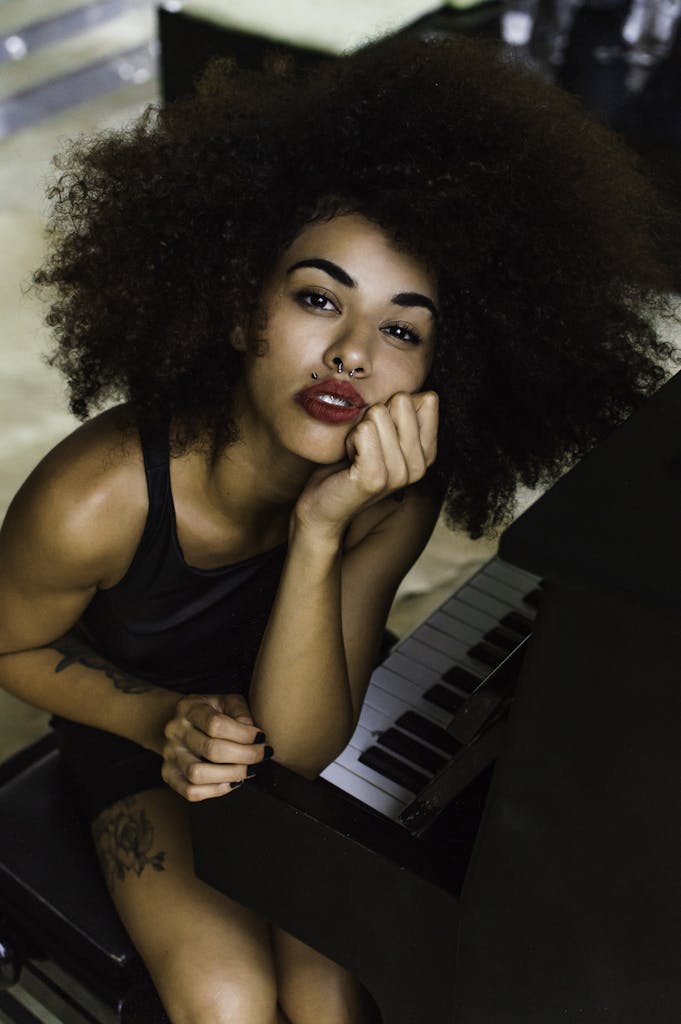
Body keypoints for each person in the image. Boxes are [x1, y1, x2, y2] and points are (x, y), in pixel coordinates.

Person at [0, 31, 676, 1024]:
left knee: (336, 996)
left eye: (403, 329)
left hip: (299, 707)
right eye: (320, 297)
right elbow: (10, 639)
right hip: (142, 730)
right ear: (241, 311)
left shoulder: (390, 492)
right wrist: (157, 718)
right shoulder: (98, 494)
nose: (354, 353)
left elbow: (304, 746)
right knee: (227, 1003)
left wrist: (321, 535)